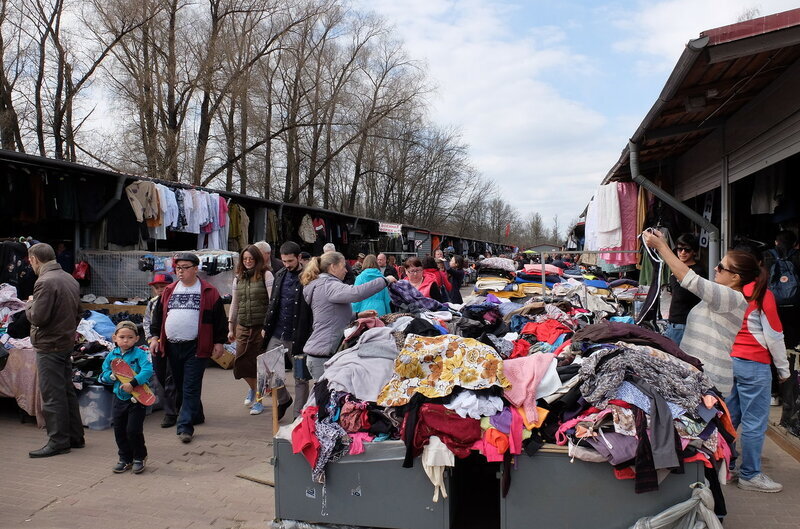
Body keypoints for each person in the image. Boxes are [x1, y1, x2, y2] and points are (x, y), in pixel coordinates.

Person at [642, 230, 758, 396]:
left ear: (736, 278)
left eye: (721, 267)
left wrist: (661, 246)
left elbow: (690, 279)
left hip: (709, 382)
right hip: (700, 378)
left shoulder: (732, 298)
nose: (715, 268)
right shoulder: (722, 297)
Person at [727, 246, 790, 493]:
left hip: (731, 361)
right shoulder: (762, 293)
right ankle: (750, 474)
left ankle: (725, 463)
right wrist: (784, 371)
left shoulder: (728, 293)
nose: (717, 269)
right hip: (754, 364)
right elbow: (775, 336)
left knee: (730, 418)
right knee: (754, 423)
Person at [149, 253, 227, 444]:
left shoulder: (209, 291)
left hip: (196, 346)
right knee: (179, 384)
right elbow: (158, 317)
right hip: (172, 346)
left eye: (184, 267)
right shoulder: (169, 290)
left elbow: (219, 320)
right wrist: (154, 337)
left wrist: (219, 342)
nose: (180, 271)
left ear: (195, 269)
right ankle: (196, 415)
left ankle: (185, 427)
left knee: (190, 386)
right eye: (178, 268)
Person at [25, 243, 83, 458]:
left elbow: (39, 317)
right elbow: (79, 312)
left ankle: (59, 441)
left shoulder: (45, 281)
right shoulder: (68, 278)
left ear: (35, 260)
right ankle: (75, 437)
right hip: (64, 341)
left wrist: (29, 304)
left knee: (52, 395)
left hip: (50, 344)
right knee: (66, 390)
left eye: (30, 261)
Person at [301, 251, 397, 379]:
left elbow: (332, 314)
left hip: (324, 352)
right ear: (333, 267)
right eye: (343, 266)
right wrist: (385, 281)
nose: (346, 270)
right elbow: (356, 293)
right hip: (323, 355)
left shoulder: (324, 284)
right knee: (325, 397)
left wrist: (357, 315)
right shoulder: (329, 285)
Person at [263, 241, 313, 418]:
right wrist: (266, 325)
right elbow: (273, 302)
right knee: (267, 368)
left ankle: (298, 417)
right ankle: (284, 400)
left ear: (299, 258)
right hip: (276, 332)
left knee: (300, 377)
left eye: (290, 261)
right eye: (284, 261)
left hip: (299, 336)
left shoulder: (310, 276)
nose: (286, 265)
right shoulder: (279, 274)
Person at [99, 321, 154, 474]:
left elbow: (148, 370)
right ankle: (125, 459)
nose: (125, 340)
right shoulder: (111, 356)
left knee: (133, 430)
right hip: (119, 398)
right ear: (114, 338)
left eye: (130, 337)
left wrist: (133, 382)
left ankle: (139, 457)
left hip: (137, 399)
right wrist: (110, 376)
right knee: (119, 430)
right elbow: (102, 375)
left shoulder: (141, 353)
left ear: (137, 338)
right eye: (122, 337)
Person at [228, 245, 274, 415]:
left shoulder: (266, 275)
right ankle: (254, 389)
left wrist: (267, 327)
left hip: (260, 327)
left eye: (251, 259)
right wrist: (230, 326)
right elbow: (235, 302)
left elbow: (272, 303)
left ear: (257, 259)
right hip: (243, 325)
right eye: (245, 259)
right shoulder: (238, 278)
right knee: (240, 362)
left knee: (259, 364)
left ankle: (259, 399)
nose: (248, 262)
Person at [143, 272, 178, 428]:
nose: (159, 290)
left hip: (173, 344)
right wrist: (151, 339)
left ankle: (174, 409)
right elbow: (147, 322)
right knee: (161, 375)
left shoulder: (175, 301)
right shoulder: (152, 303)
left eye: (162, 287)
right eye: (157, 287)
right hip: (157, 344)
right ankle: (170, 405)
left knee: (174, 377)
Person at [664, 234, 706, 345]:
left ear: (694, 252)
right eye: (679, 249)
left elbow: (681, 294)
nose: (682, 252)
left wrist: (674, 278)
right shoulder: (677, 268)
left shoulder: (697, 271)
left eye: (687, 250)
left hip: (683, 323)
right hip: (674, 322)